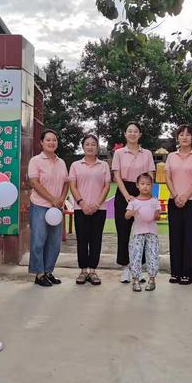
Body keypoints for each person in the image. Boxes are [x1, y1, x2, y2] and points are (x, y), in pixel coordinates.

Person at [111, 121, 155, 283]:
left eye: (135, 131)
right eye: (129, 131)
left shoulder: (147, 153)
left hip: (142, 191)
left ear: (140, 134)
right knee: (123, 232)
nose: (132, 134)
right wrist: (127, 196)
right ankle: (126, 268)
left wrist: (143, 194)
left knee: (142, 232)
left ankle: (139, 268)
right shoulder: (119, 153)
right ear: (125, 134)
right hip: (124, 192)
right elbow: (116, 176)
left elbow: (151, 175)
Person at [165, 124, 192, 284]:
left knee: (190, 238)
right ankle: (175, 272)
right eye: (181, 134)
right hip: (173, 200)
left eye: (188, 135)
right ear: (177, 138)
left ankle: (188, 273)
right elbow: (168, 178)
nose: (184, 137)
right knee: (175, 237)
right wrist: (176, 196)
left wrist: (185, 196)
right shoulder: (171, 156)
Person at [28, 129, 69, 287]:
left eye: (54, 140)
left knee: (54, 242)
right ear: (41, 142)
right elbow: (34, 183)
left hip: (56, 208)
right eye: (48, 140)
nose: (51, 143)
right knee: (39, 241)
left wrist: (61, 199)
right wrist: (52, 199)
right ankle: (39, 274)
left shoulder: (61, 162)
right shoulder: (36, 161)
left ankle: (48, 271)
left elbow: (66, 182)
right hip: (40, 205)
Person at [69, 134, 111, 285]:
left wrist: (97, 204)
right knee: (82, 240)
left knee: (95, 240)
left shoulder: (104, 165)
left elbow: (106, 186)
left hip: (99, 209)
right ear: (83, 147)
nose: (90, 146)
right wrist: (82, 203)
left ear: (97, 147)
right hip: (80, 209)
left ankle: (92, 271)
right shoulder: (75, 165)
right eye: (87, 144)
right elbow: (72, 186)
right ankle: (83, 271)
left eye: (93, 144)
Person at [125, 173, 161, 292]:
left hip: (152, 232)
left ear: (152, 186)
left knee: (153, 255)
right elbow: (126, 215)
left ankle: (152, 279)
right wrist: (131, 212)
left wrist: (156, 215)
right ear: (137, 185)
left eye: (148, 184)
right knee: (135, 255)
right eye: (142, 184)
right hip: (137, 232)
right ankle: (135, 279)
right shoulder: (134, 201)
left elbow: (157, 216)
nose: (145, 186)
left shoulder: (155, 201)